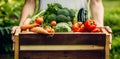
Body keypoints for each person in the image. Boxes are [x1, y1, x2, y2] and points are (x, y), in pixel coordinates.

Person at [12, 0, 104, 34]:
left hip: (80, 30)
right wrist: (22, 25)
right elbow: (30, 2)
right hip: (44, 29)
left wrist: (100, 26)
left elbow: (96, 2)